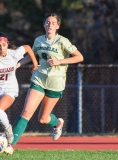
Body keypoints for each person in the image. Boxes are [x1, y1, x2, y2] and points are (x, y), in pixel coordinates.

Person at [11, 13, 84, 148]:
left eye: (53, 23)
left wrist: (59, 61)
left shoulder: (62, 41)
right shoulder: (38, 40)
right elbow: (31, 55)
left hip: (55, 83)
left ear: (58, 26)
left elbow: (79, 57)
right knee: (27, 112)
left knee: (43, 119)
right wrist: (17, 65)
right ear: (44, 24)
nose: (50, 24)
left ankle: (58, 123)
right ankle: (10, 144)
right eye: (48, 22)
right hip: (39, 79)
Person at [0, 32, 38, 155]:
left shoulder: (13, 53)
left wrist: (35, 63)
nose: (1, 48)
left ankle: (8, 129)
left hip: (9, 89)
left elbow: (28, 47)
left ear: (7, 44)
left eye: (4, 45)